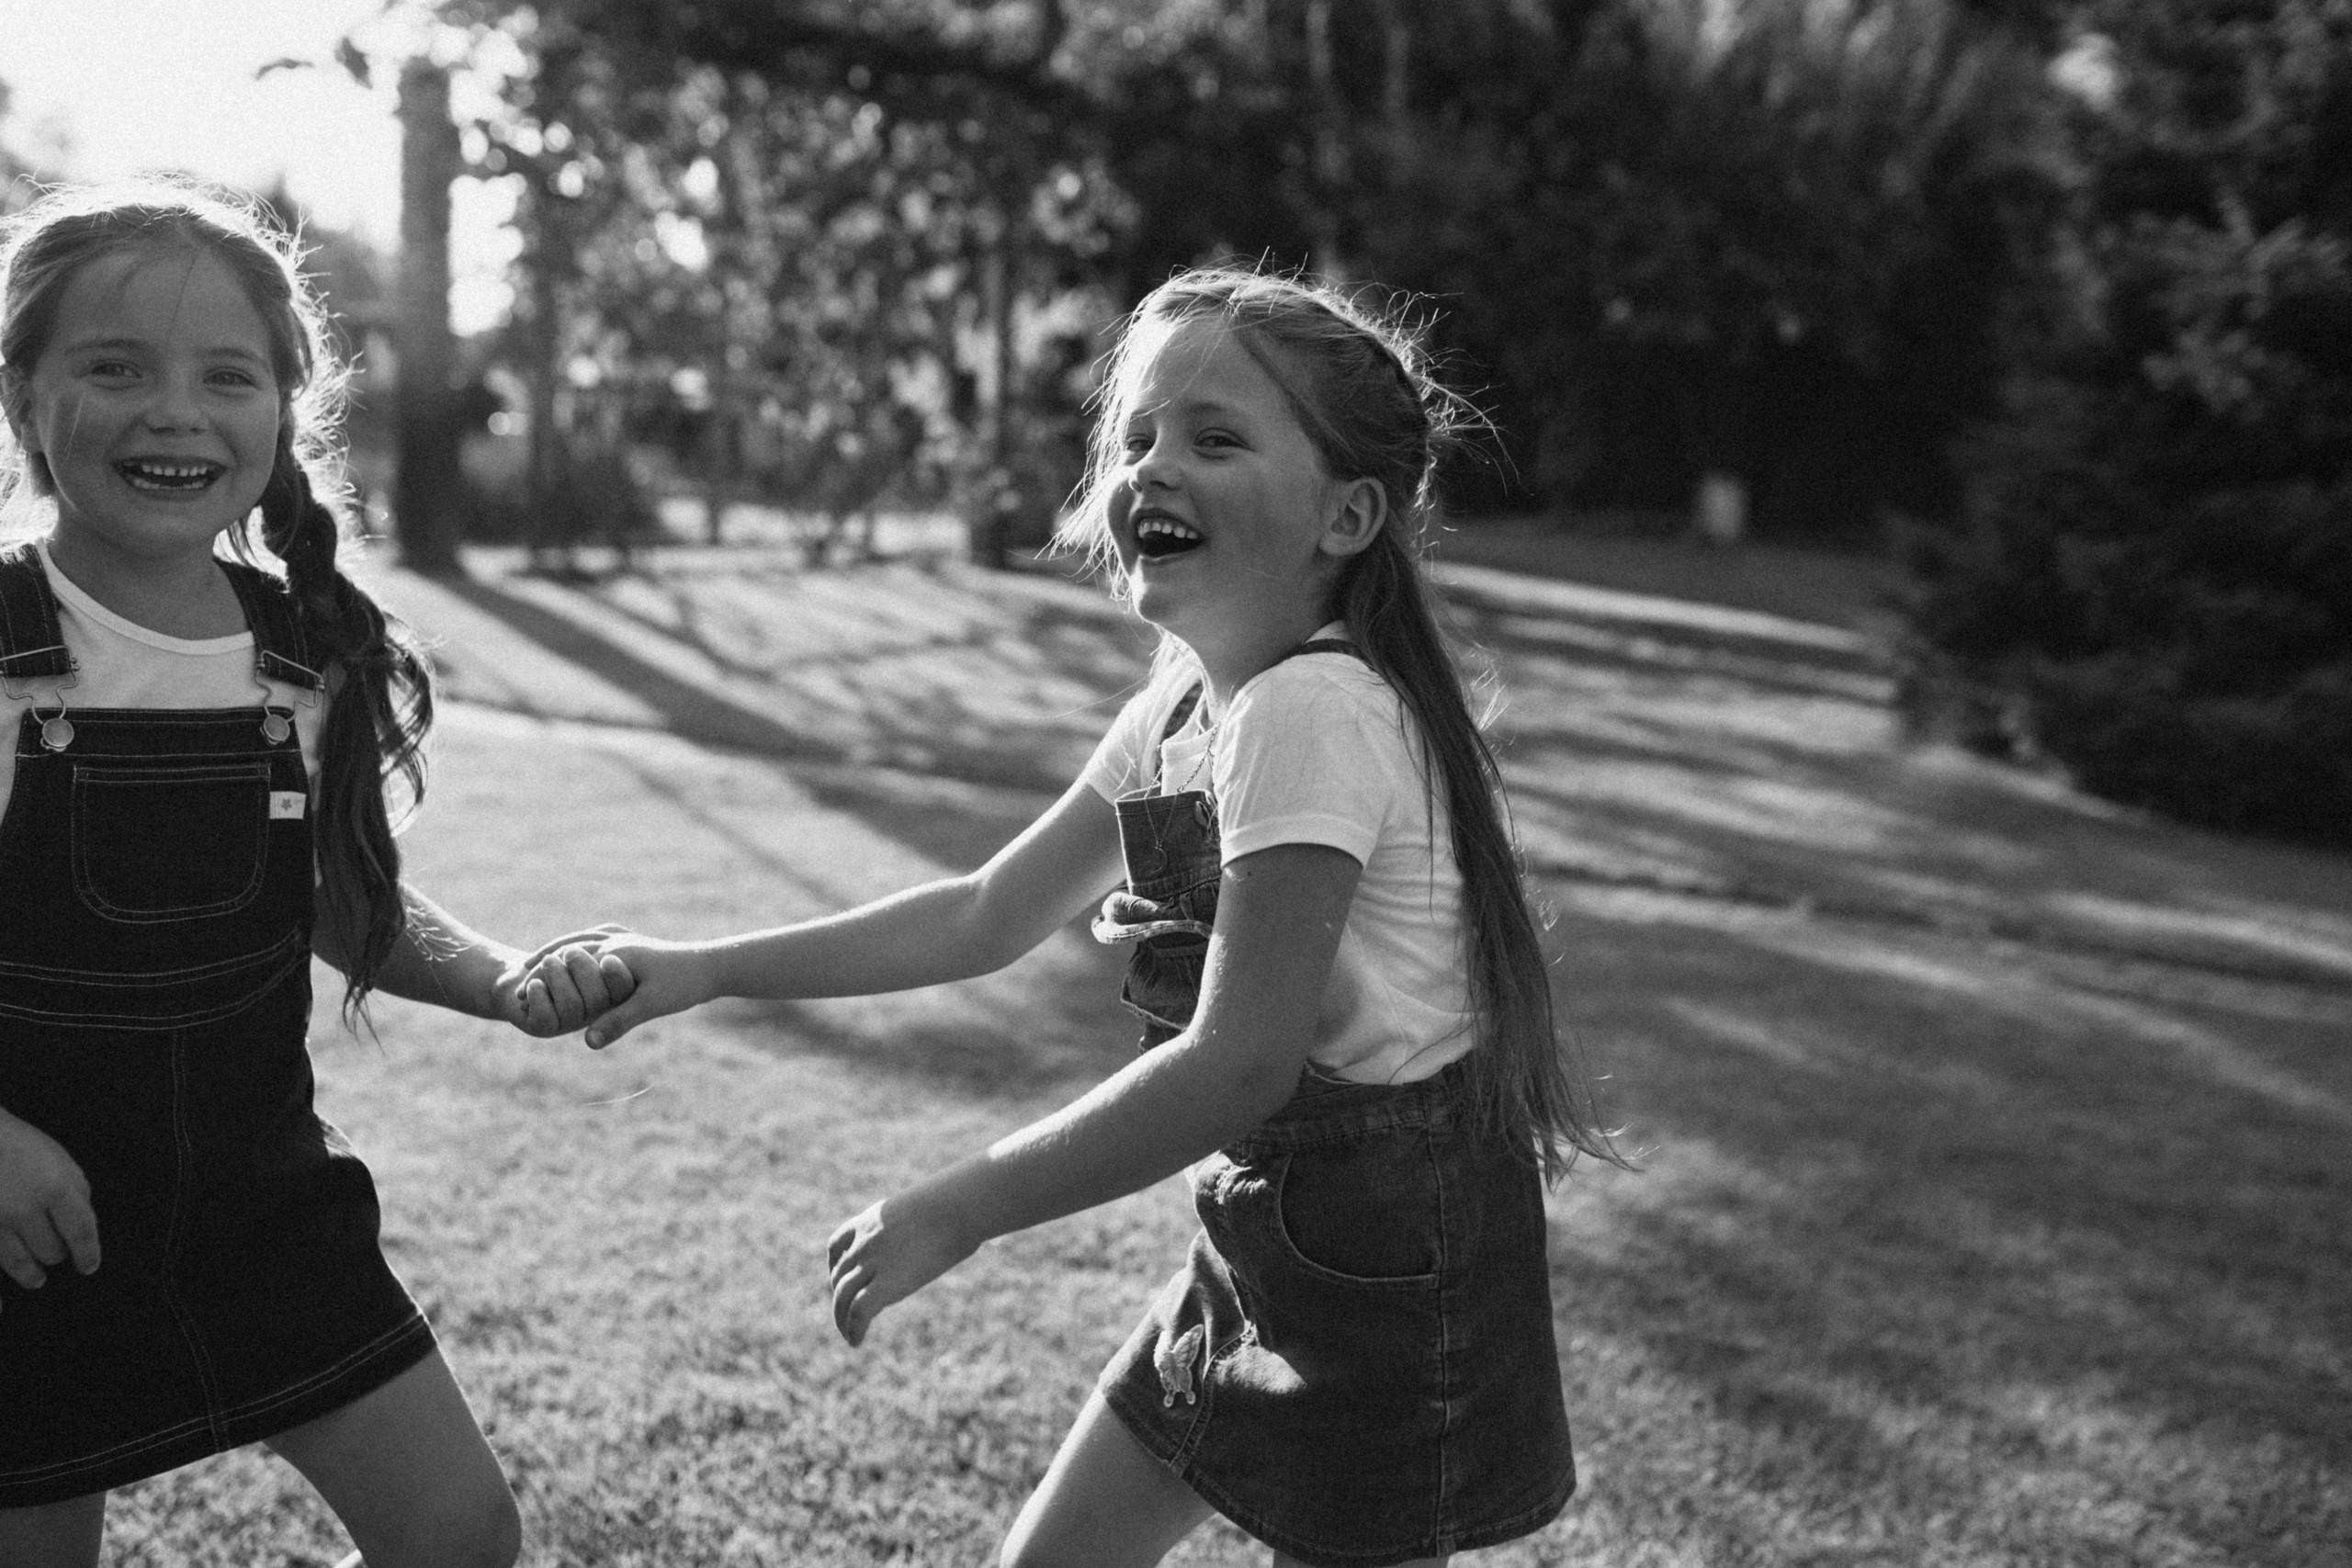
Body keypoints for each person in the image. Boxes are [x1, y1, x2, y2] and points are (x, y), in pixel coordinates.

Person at [580, 266, 1630, 1568]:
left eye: (1216, 437)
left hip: (1391, 1260)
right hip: (1265, 1226)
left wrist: (966, 1203)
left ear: (1349, 513)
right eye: (1137, 435)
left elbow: (1239, 1064)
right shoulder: (1182, 710)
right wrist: (701, 968)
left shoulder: (1316, 713)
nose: (1154, 468)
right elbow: (983, 912)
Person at [0, 183, 628, 1568]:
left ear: (284, 410)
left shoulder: (305, 653)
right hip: (27, 1235)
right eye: (115, 369)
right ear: (21, 394)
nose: (178, 411)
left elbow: (348, 904)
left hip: (261, 1205)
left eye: (229, 376)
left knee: (457, 1533)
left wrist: (507, 978)